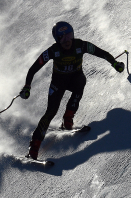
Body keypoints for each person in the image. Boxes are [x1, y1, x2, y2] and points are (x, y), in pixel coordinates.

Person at [20, 21, 125, 159]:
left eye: (69, 35)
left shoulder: (80, 45)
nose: (67, 40)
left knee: (81, 81)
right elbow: (33, 68)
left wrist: (115, 63)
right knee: (50, 112)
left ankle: (68, 117)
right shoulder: (53, 51)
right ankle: (34, 147)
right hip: (58, 83)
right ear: (57, 39)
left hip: (75, 79)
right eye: (62, 37)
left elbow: (101, 53)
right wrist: (27, 86)